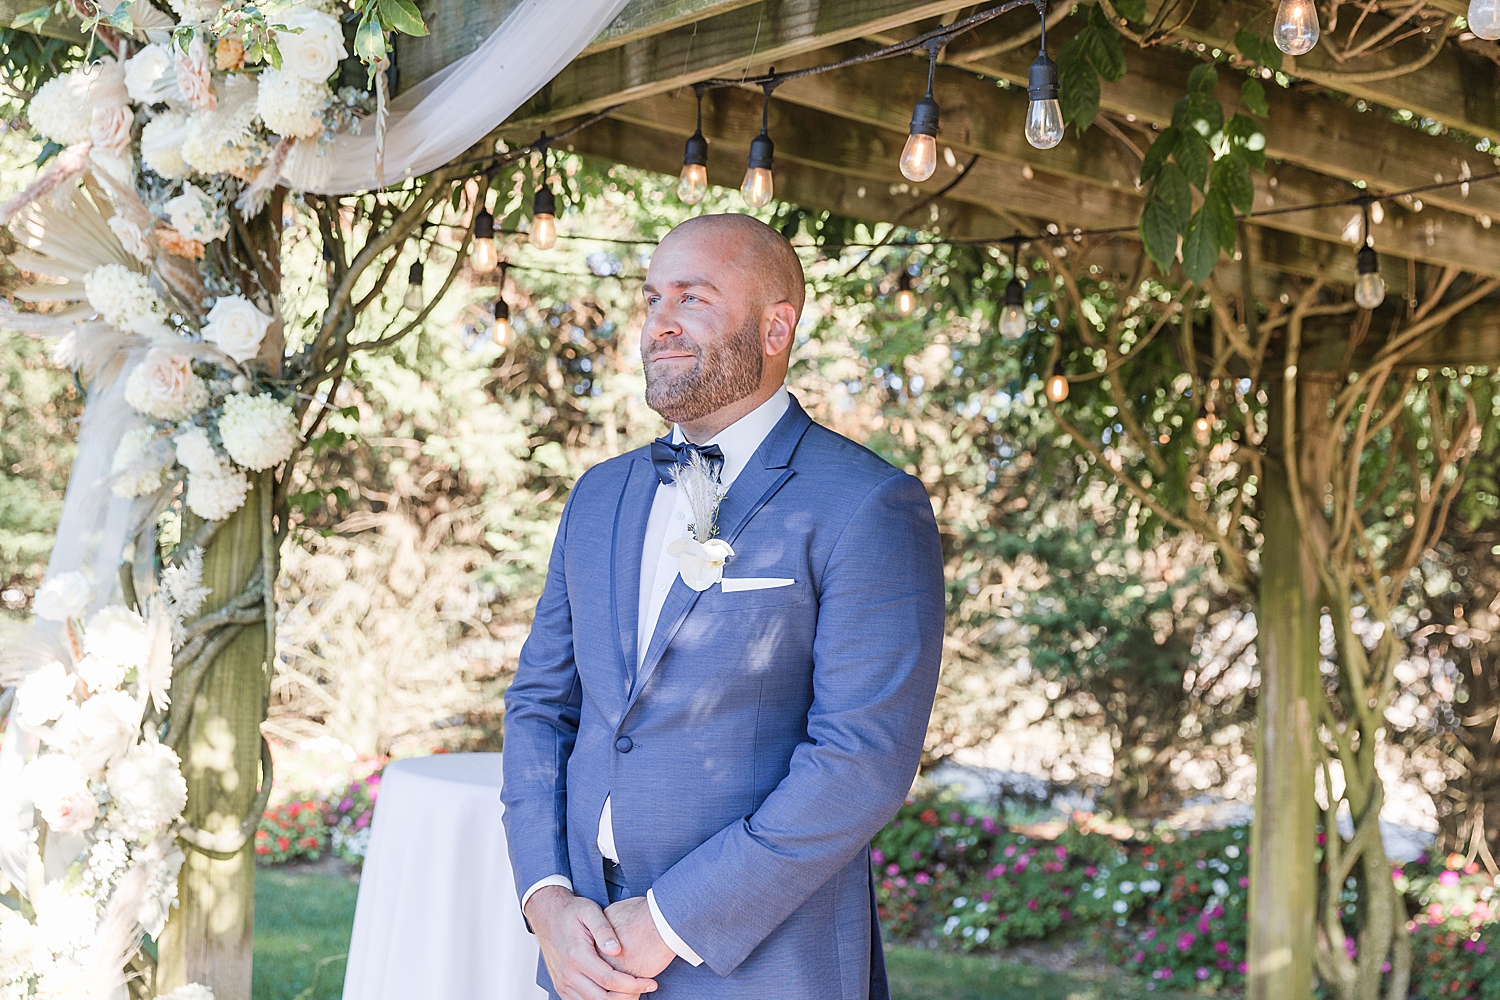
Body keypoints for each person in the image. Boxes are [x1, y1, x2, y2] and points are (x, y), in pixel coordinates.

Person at [501, 213, 945, 1000]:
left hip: (766, 963)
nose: (658, 323)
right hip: (583, 954)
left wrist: (668, 920)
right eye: (650, 299)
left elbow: (861, 760)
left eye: (693, 298)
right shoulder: (599, 496)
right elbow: (542, 706)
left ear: (776, 326)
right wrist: (546, 899)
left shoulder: (867, 504)